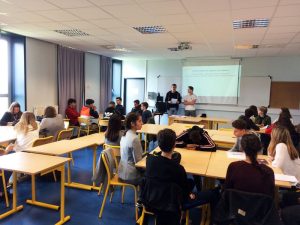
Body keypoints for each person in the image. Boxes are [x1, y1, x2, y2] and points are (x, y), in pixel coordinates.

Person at [141, 129, 219, 225]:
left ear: (159, 145)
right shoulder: (178, 169)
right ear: (174, 145)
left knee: (189, 183)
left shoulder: (150, 161)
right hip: (173, 204)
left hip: (151, 200)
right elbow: (185, 190)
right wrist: (190, 192)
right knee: (213, 194)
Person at [118, 112, 143, 185]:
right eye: (139, 121)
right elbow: (139, 163)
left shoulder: (124, 135)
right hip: (131, 175)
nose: (142, 123)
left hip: (122, 172)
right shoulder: (135, 139)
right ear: (132, 124)